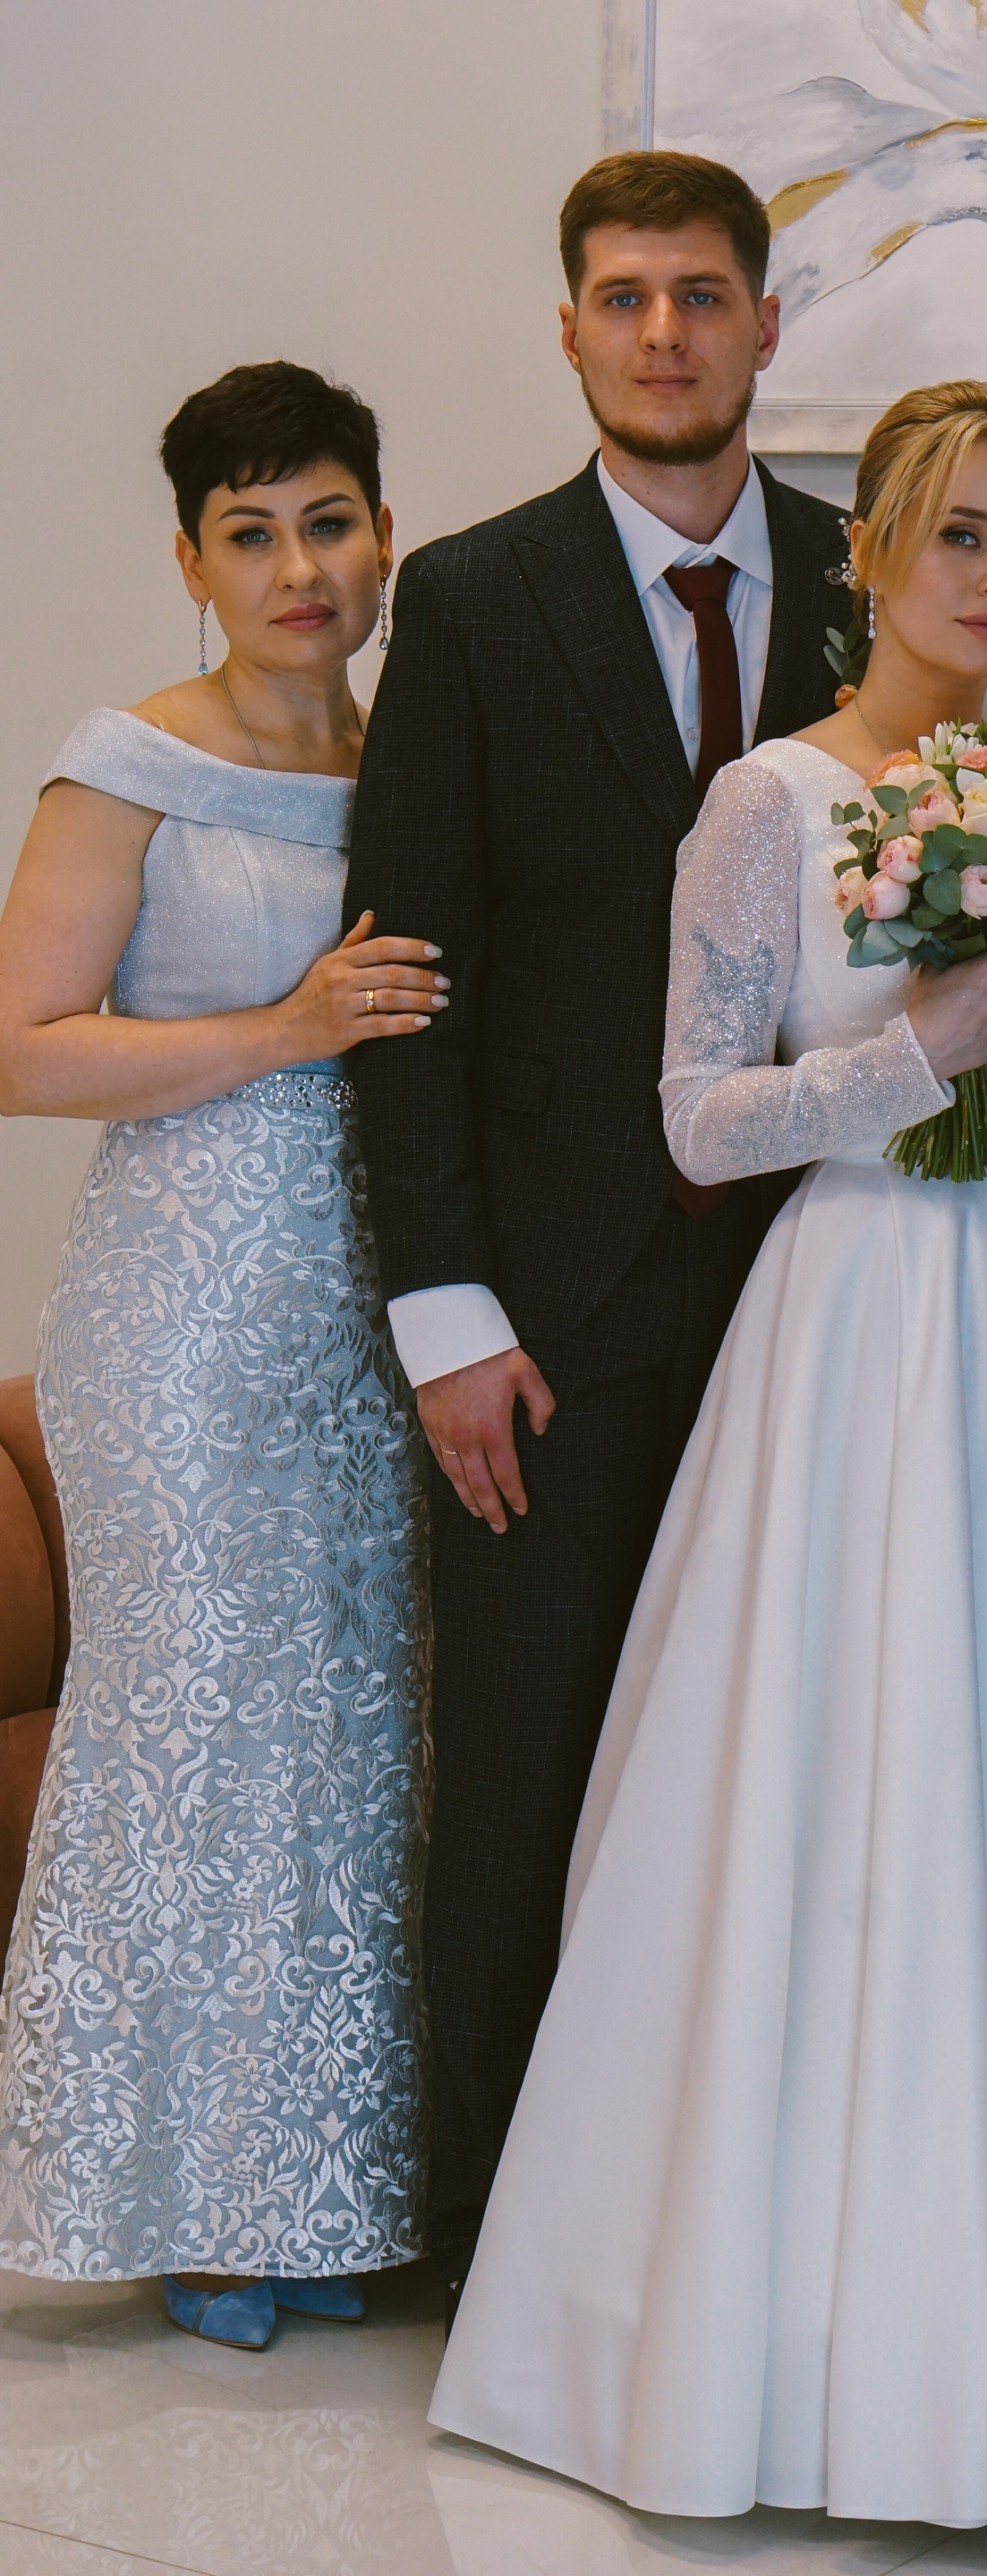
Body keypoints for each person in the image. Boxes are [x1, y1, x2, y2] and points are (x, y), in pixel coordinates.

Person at [428, 379, 987, 2529]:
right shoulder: (767, 801)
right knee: (838, 1777)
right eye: (961, 534)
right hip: (859, 1320)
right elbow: (698, 1119)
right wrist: (914, 1055)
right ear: (866, 553)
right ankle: (761, 2350)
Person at [343, 156, 987, 2324]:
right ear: (571, 330)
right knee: (535, 1769)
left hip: (865, 1290)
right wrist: (444, 1309)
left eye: (703, 294)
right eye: (623, 296)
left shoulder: (893, 564)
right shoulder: (475, 599)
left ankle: (815, 2254)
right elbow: (411, 975)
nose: (665, 332)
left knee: (825, 1770)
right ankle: (516, 2272)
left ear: (770, 325)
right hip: (563, 1298)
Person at [0, 363, 439, 2351]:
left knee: (350, 1730)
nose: (296, 568)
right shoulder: (128, 765)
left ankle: (318, 2186)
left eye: (327, 522)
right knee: (186, 1720)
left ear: (381, 537)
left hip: (376, 1303)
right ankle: (167, 2194)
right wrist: (288, 1028)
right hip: (180, 1302)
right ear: (192, 560)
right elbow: (23, 1050)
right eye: (249, 534)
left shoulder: (421, 757)